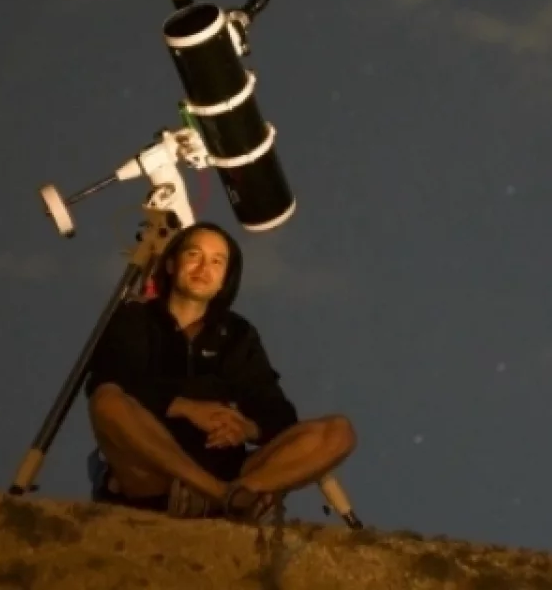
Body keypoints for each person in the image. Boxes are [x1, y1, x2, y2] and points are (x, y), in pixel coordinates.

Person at [84, 221, 357, 522]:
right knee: (107, 402)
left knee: (338, 431)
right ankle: (218, 496)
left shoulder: (237, 334)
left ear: (224, 279)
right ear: (171, 264)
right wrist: (185, 407)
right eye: (194, 255)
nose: (204, 268)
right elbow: (110, 382)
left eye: (217, 261)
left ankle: (237, 495)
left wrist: (247, 428)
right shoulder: (135, 319)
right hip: (155, 475)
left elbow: (277, 412)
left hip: (229, 469)